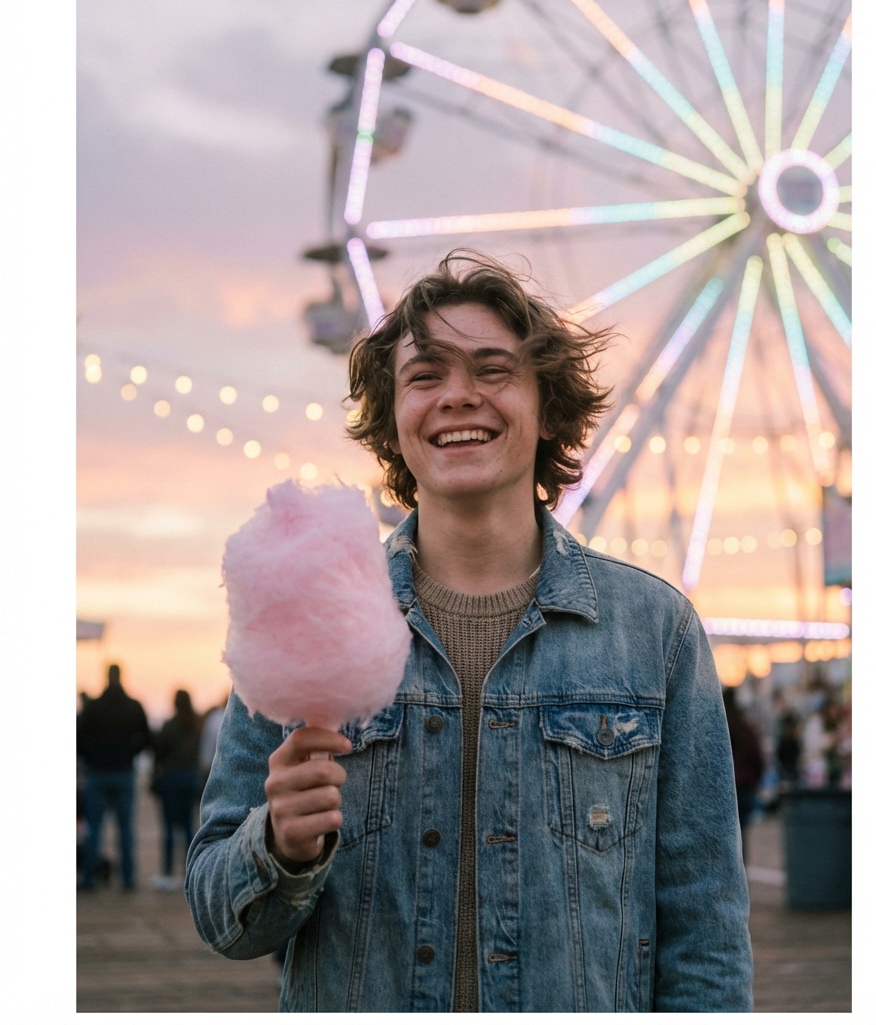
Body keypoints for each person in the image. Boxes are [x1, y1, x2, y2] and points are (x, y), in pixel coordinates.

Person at [187, 251, 753, 1012]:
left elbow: (705, 927)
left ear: (548, 406)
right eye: (425, 377)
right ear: (392, 420)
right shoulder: (307, 614)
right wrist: (280, 846)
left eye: (492, 370)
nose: (459, 396)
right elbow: (220, 918)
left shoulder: (655, 633)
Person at [77, 663, 150, 892]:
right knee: (126, 829)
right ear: (122, 676)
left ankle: (89, 879)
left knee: (94, 830)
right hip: (123, 771)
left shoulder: (94, 707)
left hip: (98, 773)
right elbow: (146, 738)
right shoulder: (133, 706)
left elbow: (78, 738)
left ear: (106, 677)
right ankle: (127, 879)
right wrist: (129, 753)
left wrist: (91, 756)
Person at [150, 689, 203, 890]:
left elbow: (158, 751)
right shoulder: (196, 725)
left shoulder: (170, 725)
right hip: (191, 778)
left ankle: (167, 873)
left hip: (171, 778)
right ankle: (190, 870)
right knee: (190, 826)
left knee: (169, 827)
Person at [722, 685, 765, 862]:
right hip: (745, 787)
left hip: (725, 787)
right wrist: (755, 780)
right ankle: (741, 871)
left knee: (725, 835)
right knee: (742, 832)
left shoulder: (718, 727)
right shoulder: (746, 728)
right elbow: (758, 758)